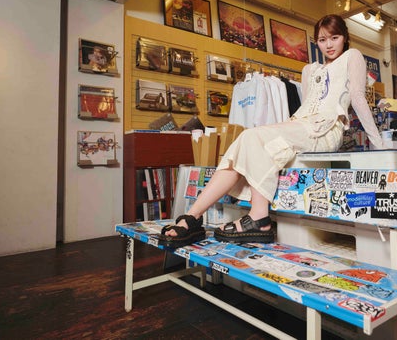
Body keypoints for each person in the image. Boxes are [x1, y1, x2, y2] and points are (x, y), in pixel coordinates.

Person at [157, 14, 384, 248]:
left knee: (253, 136)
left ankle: (259, 217)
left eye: (334, 38)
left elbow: (357, 98)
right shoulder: (309, 69)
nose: (329, 45)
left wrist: (379, 145)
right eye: (322, 40)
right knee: (247, 138)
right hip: (301, 124)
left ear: (345, 37)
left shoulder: (352, 56)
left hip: (326, 130)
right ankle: (193, 217)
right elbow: (305, 107)